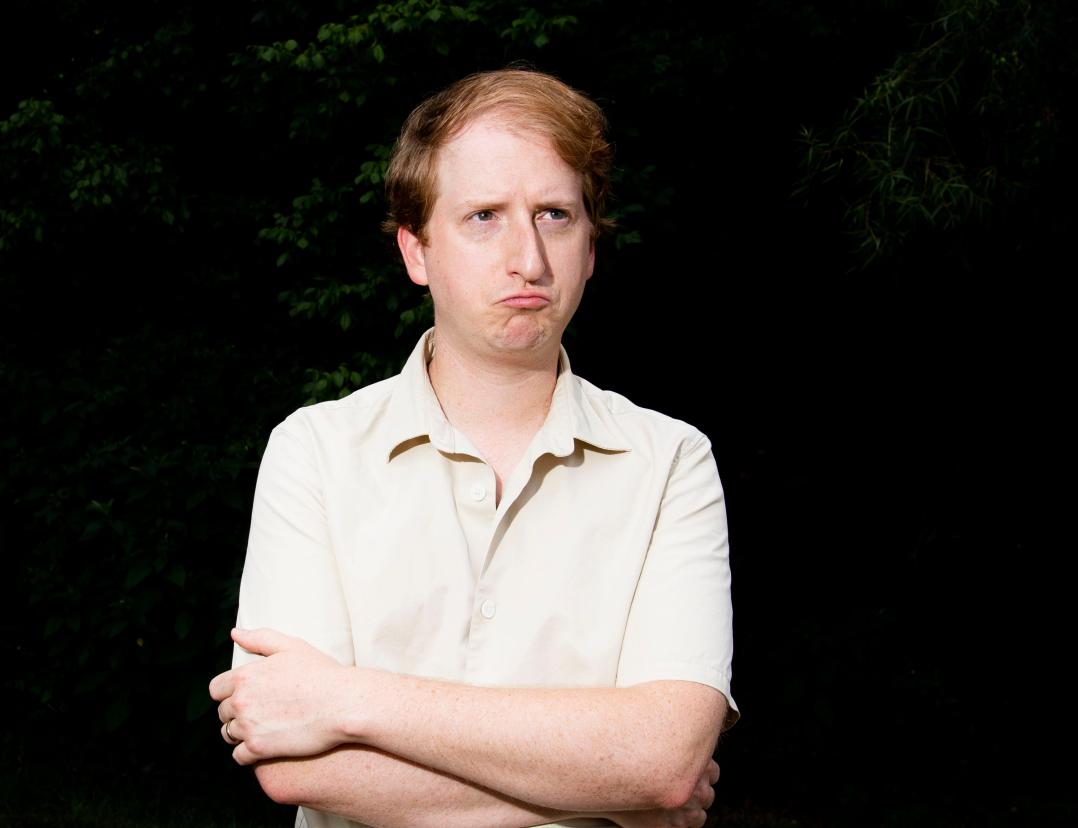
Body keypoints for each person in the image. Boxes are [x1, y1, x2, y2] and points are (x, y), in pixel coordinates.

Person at [209, 68, 737, 828]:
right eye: (485, 216)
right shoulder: (314, 451)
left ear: (591, 250)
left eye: (555, 214)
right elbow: (300, 768)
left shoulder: (671, 462)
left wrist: (346, 700)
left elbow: (661, 760)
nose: (529, 257)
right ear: (416, 251)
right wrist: (608, 782)